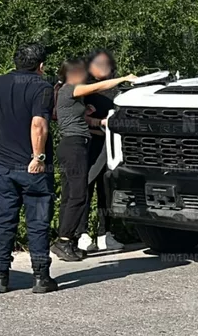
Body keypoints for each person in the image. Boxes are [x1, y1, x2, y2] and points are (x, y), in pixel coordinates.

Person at [0, 43, 58, 294]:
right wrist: (38, 157)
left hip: (2, 166)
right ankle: (41, 277)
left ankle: (0, 277)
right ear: (40, 66)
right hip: (32, 167)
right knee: (38, 221)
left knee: (5, 221)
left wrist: (0, 120)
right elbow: (38, 125)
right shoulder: (41, 86)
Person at [50, 58, 135, 261]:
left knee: (74, 195)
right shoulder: (70, 89)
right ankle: (64, 241)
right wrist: (124, 78)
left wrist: (101, 121)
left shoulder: (72, 94)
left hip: (77, 145)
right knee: (78, 196)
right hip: (73, 146)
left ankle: (68, 241)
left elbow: (83, 119)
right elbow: (100, 86)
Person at [76, 49, 125, 253]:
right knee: (85, 187)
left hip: (112, 146)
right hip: (91, 144)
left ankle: (105, 233)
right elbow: (77, 117)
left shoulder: (119, 91)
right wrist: (99, 123)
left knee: (107, 189)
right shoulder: (84, 90)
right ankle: (81, 233)